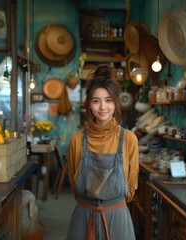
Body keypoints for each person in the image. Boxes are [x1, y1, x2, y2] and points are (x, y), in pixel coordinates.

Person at [66, 65, 139, 240]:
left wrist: (111, 203)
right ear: (89, 104)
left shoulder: (129, 139)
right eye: (96, 100)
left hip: (117, 217)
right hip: (84, 216)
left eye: (108, 100)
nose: (102, 107)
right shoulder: (76, 140)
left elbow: (131, 187)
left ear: (116, 102)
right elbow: (74, 183)